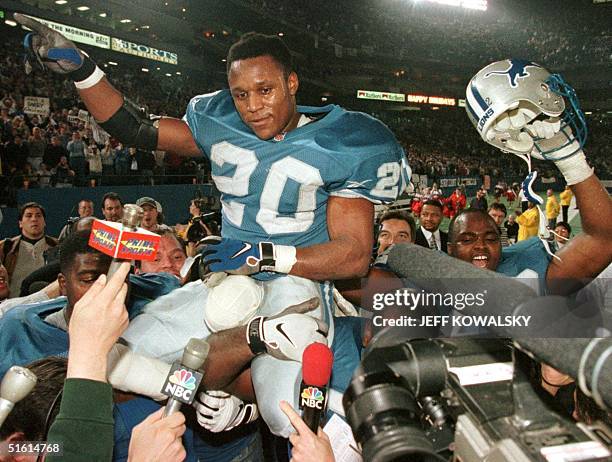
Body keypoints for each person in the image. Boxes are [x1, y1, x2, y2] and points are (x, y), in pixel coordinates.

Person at [15, 18, 410, 437]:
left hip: (295, 289)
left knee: (285, 414)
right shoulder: (218, 121)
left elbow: (352, 253)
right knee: (113, 358)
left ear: (292, 83)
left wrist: (264, 254)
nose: (253, 105)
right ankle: (214, 393)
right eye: (241, 94)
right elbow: (136, 127)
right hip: (227, 282)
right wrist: (83, 70)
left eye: (265, 90)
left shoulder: (342, 140)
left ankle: (254, 407)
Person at [0, 202, 58, 298]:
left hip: (48, 305)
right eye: (29, 216)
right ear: (20, 223)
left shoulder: (58, 246)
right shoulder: (6, 247)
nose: (34, 219)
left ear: (44, 222)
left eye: (38, 216)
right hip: (13, 305)